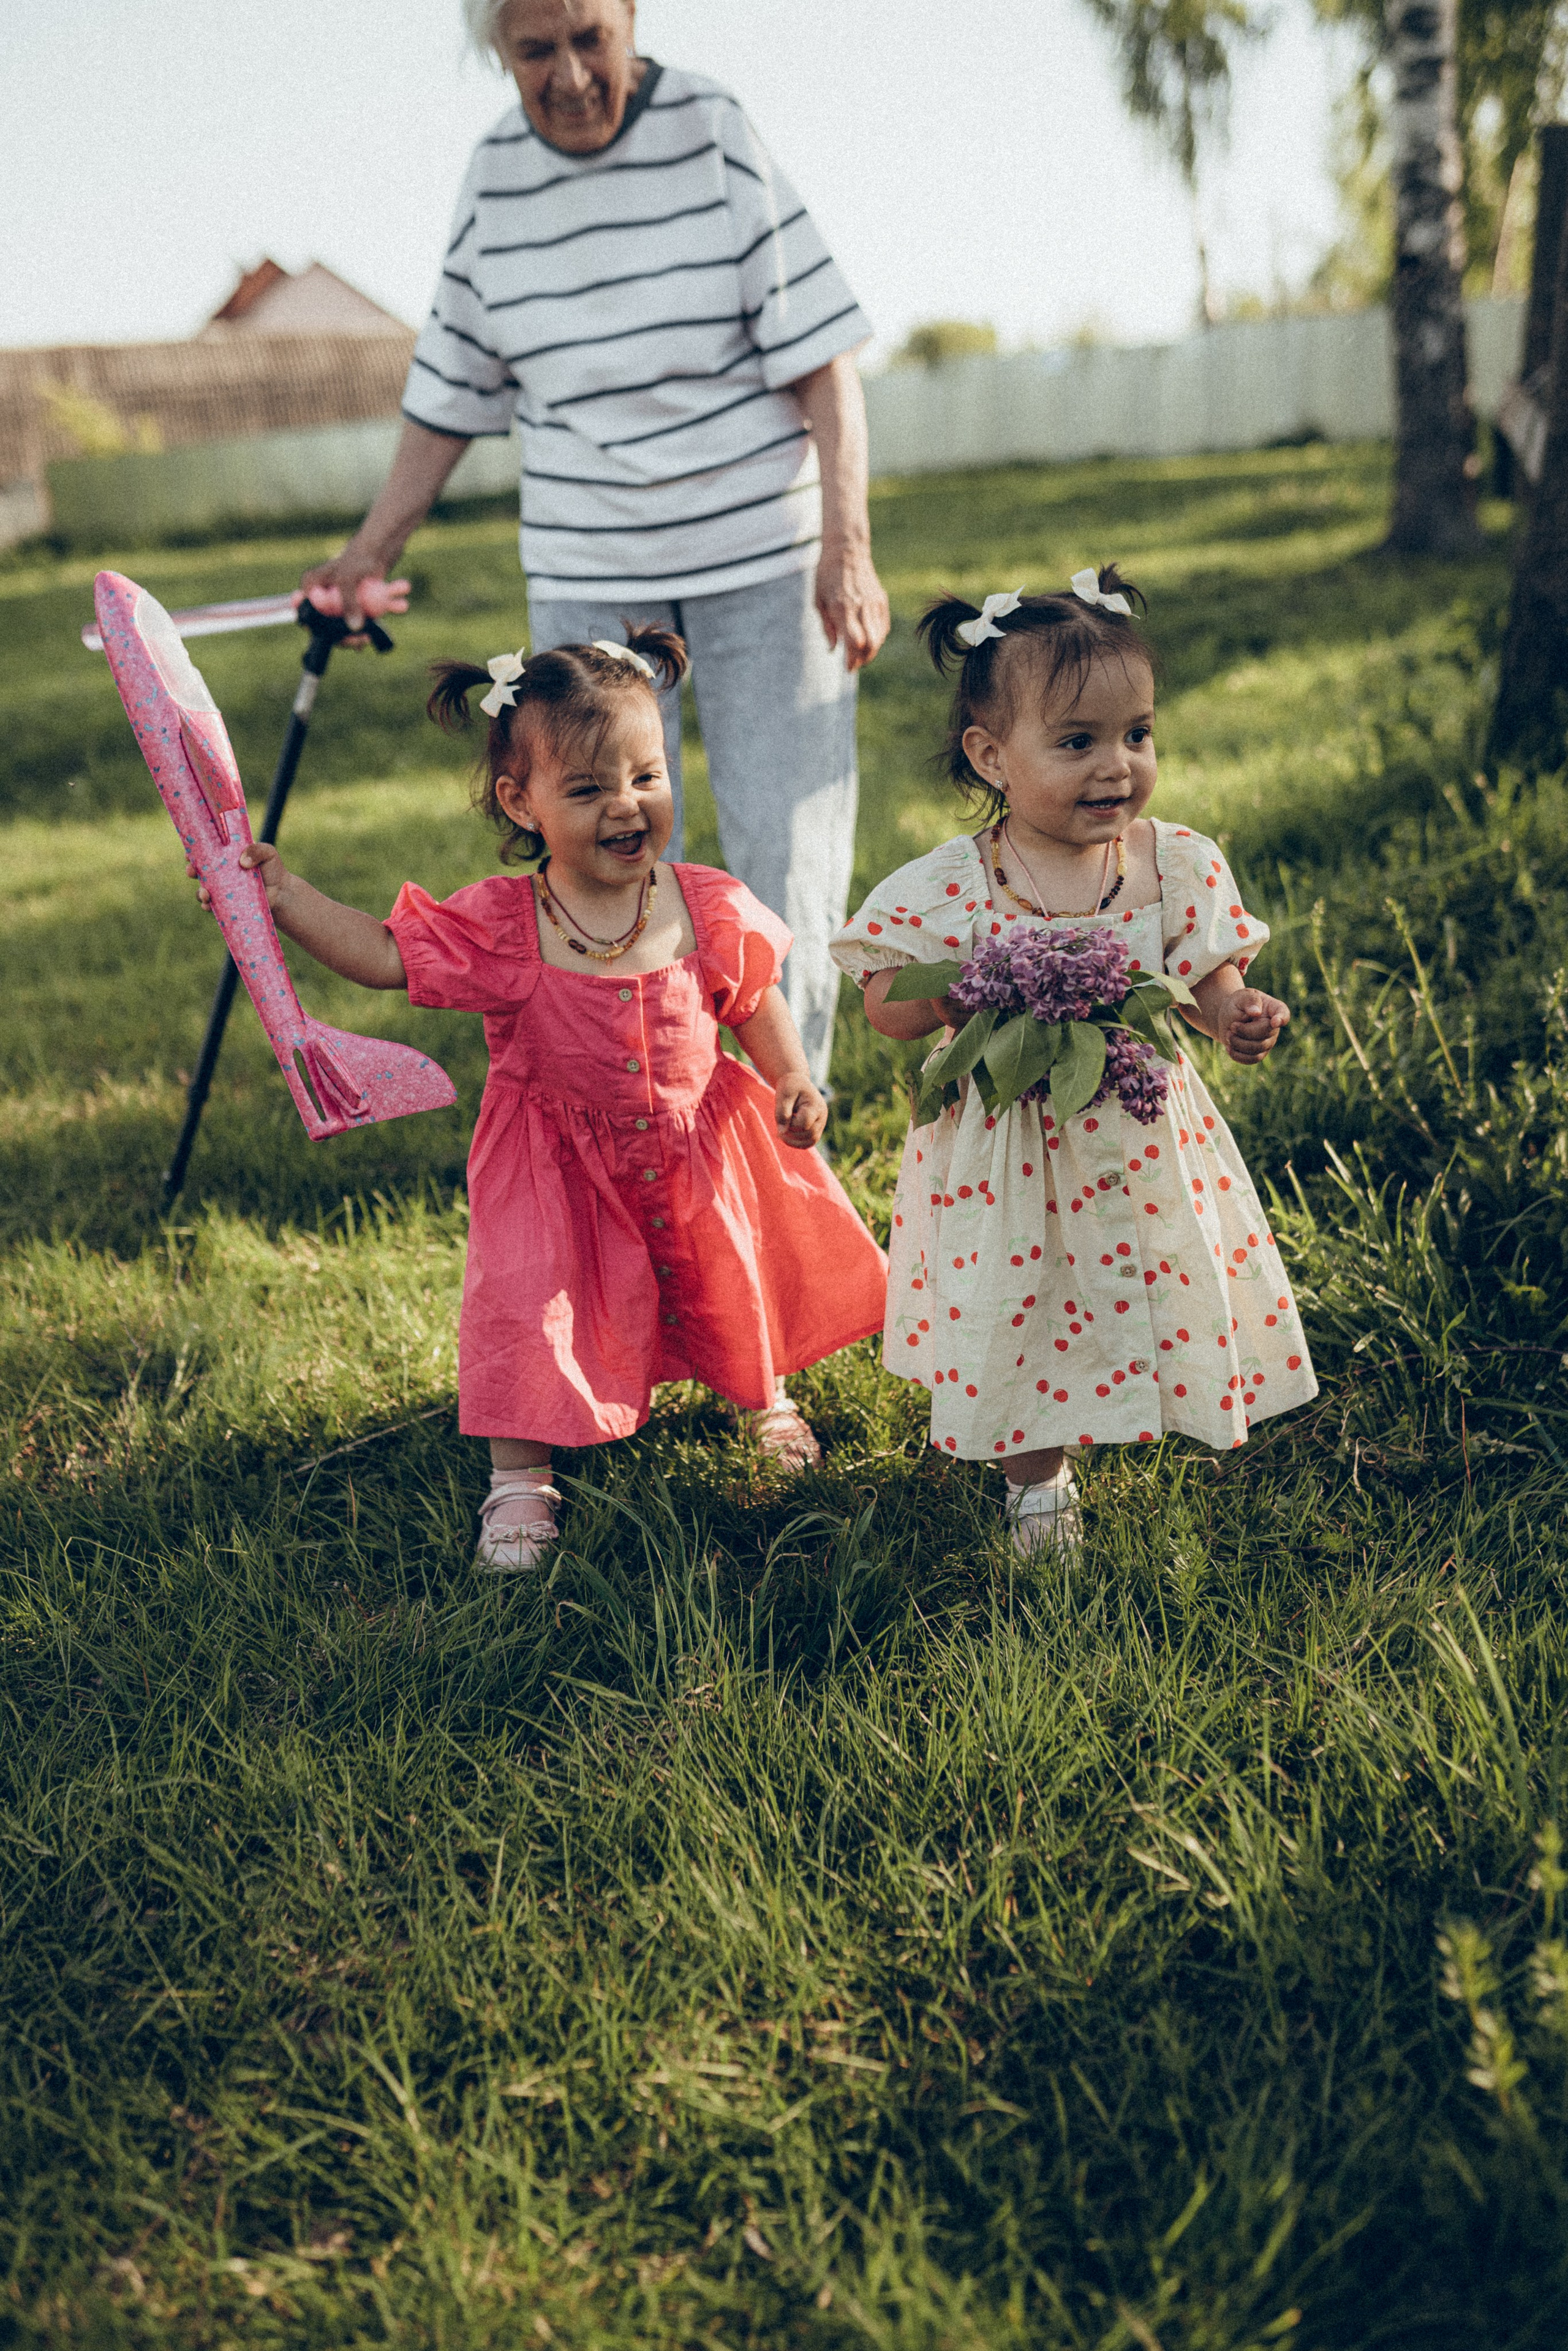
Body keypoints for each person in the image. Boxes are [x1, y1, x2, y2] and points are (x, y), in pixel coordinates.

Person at [194, 628, 887, 1572]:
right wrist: (285, 895)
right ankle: (521, 1477)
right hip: (555, 1165)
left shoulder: (702, 901)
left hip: (695, 1140)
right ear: (522, 801)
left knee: (727, 1270)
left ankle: (762, 1399)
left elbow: (752, 1000)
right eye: (589, 788)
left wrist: (795, 1078)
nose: (626, 806)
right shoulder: (507, 923)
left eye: (646, 776)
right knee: (531, 1306)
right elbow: (387, 955)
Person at [302, 0, 891, 1091]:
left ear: (628, 23)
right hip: (591, 563)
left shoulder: (711, 128)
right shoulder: (494, 178)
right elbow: (451, 393)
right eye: (535, 50)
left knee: (784, 846)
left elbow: (824, 360)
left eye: (590, 40)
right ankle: (646, 1088)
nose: (569, 75)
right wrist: (367, 550)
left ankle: (788, 1103)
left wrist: (847, 547)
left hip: (760, 544)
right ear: (499, 53)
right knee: (594, 836)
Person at [829, 571, 1317, 1555]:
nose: (1117, 767)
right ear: (992, 756)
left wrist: (1234, 1013)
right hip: (1012, 1145)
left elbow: (1207, 975)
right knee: (1024, 1299)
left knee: (1151, 1270)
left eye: (1137, 734)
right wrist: (962, 988)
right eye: (1078, 742)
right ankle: (1039, 1479)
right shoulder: (954, 884)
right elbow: (886, 1006)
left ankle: (1155, 1397)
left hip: (1137, 1135)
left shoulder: (1171, 861)